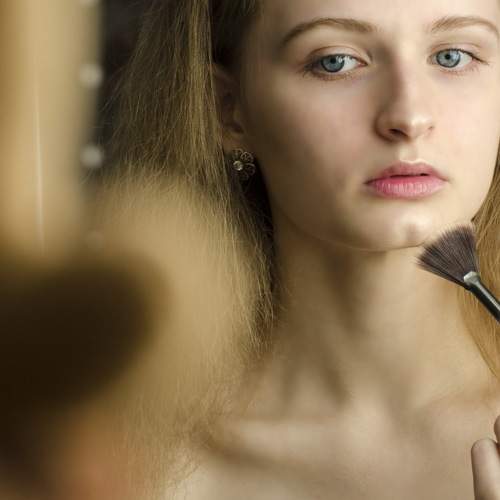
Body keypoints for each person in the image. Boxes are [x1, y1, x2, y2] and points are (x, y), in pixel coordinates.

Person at [109, 0, 500, 498]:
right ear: (227, 108)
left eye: (452, 56)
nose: (409, 116)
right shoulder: (126, 464)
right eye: (335, 61)